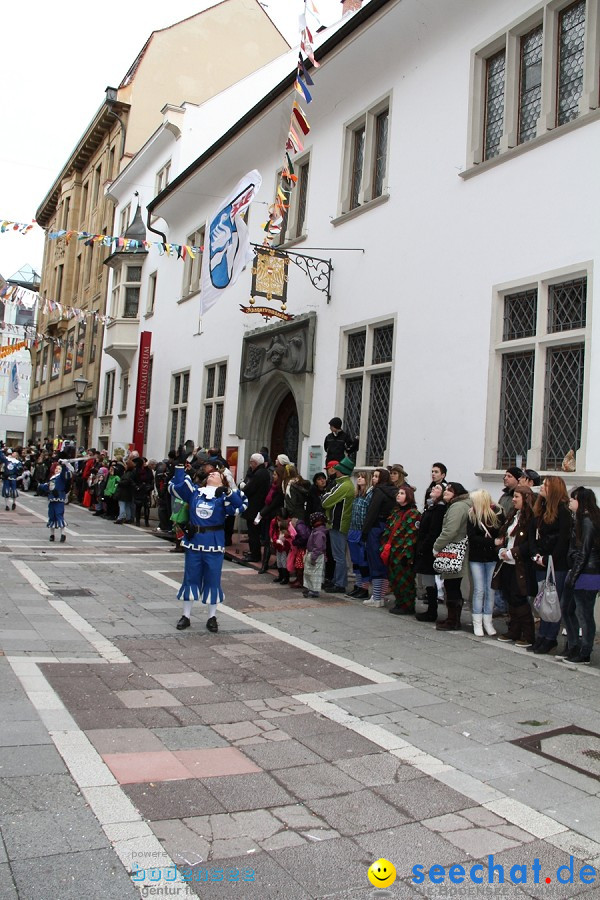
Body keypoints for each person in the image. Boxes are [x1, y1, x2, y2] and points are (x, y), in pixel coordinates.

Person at [169, 464, 247, 632]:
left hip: (214, 543)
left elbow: (240, 506)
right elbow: (178, 486)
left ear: (223, 481)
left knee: (213, 579)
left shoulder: (223, 496)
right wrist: (180, 467)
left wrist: (227, 493)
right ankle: (186, 616)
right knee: (190, 578)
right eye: (210, 474)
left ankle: (212, 617)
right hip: (195, 541)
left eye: (215, 474)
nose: (211, 475)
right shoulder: (196, 492)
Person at [529, 476, 571, 654]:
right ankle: (542, 635)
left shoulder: (563, 512)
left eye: (546, 485)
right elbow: (533, 533)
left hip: (555, 564)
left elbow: (563, 540)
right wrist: (535, 554)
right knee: (542, 600)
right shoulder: (541, 509)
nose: (542, 488)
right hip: (540, 560)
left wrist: (547, 559)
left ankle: (550, 637)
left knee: (552, 601)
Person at [560, 487, 600, 664]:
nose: (570, 501)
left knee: (584, 614)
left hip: (587, 573)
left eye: (573, 499)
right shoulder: (580, 519)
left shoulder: (588, 521)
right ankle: (574, 645)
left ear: (581, 501)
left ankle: (584, 652)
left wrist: (573, 576)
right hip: (580, 571)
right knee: (568, 610)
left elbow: (584, 552)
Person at [495, 485, 537, 647]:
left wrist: (513, 552)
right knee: (509, 596)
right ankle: (514, 630)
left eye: (517, 497)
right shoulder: (513, 515)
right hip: (507, 562)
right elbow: (504, 535)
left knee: (519, 598)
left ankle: (528, 634)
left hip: (521, 564)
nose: (513, 499)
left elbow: (530, 543)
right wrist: (502, 550)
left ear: (525, 499)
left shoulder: (531, 518)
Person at [433, 482, 472, 631]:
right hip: (459, 549)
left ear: (457, 493)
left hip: (454, 550)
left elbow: (450, 530)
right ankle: (452, 618)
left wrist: (437, 546)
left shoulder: (457, 507)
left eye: (450, 490)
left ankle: (453, 620)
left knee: (452, 585)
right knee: (452, 585)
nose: (445, 492)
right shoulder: (462, 505)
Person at [467, 490, 504, 636]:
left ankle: (488, 621)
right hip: (476, 558)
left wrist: (493, 542)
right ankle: (477, 622)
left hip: (492, 558)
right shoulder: (471, 515)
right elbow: (472, 537)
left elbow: (500, 534)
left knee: (490, 590)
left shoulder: (497, 514)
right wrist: (491, 542)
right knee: (479, 590)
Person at [361, 468, 397, 607]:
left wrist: (365, 532)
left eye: (376, 476)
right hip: (387, 528)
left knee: (375, 561)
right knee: (383, 561)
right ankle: (379, 596)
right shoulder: (393, 491)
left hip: (376, 528)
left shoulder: (379, 491)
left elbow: (372, 512)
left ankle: (376, 597)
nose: (374, 479)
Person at [321, 457, 356, 593]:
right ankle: (337, 581)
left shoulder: (344, 486)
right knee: (338, 555)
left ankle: (340, 583)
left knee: (339, 556)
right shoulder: (342, 484)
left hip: (339, 523)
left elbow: (325, 501)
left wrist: (325, 498)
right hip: (337, 523)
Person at [386, 484, 421, 615]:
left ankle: (407, 605)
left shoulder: (413, 514)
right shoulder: (396, 512)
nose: (398, 495)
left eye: (402, 493)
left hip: (404, 553)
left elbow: (411, 535)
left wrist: (407, 554)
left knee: (405, 580)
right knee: (395, 578)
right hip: (393, 551)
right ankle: (399, 601)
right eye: (398, 493)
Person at [414, 483, 447, 623]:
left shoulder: (439, 508)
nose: (434, 489)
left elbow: (433, 531)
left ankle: (432, 611)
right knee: (427, 580)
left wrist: (423, 546)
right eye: (434, 488)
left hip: (429, 549)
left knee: (430, 579)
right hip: (425, 547)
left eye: (438, 488)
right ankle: (431, 609)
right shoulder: (431, 506)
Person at [240, 453, 271, 562]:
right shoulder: (264, 472)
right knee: (255, 532)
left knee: (253, 533)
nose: (250, 464)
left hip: (255, 507)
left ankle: (255, 555)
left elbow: (250, 489)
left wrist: (242, 490)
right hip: (259, 506)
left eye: (251, 462)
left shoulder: (259, 474)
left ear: (255, 463)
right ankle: (254, 553)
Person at [346, 470, 372, 600]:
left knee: (363, 561)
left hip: (362, 530)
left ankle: (364, 587)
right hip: (353, 529)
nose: (359, 479)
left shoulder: (369, 495)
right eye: (358, 477)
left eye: (362, 477)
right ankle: (357, 584)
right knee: (355, 560)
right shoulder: (357, 495)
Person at [38, 457, 73, 542]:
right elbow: (47, 487)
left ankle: (63, 534)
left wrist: (64, 465)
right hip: (52, 499)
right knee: (51, 516)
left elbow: (65, 473)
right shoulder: (52, 478)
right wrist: (40, 486)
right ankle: (52, 535)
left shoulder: (61, 477)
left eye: (59, 469)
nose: (57, 470)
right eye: (56, 468)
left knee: (59, 515)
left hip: (59, 499)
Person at [303, 512, 328, 598]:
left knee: (315, 574)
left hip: (316, 556)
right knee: (310, 573)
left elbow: (318, 547)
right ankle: (310, 588)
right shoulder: (316, 531)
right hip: (314, 554)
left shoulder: (319, 533)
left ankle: (314, 590)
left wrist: (313, 557)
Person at [270, 509, 295, 584]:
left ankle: (285, 577)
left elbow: (291, 536)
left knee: (284, 561)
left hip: (285, 546)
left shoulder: (288, 524)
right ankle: (281, 575)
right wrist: (275, 540)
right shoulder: (275, 522)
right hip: (278, 545)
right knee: (279, 561)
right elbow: (273, 532)